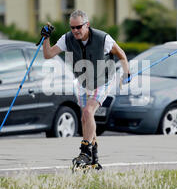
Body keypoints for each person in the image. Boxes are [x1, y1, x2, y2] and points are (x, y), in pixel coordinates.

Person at [41, 10, 130, 170]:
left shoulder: (103, 39)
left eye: (79, 27)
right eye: (72, 27)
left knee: (88, 112)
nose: (75, 31)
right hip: (83, 81)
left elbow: (121, 54)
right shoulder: (67, 39)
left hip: (103, 80)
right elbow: (48, 54)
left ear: (87, 25)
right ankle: (94, 159)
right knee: (85, 118)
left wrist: (126, 73)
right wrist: (45, 38)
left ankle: (85, 151)